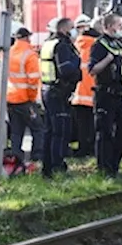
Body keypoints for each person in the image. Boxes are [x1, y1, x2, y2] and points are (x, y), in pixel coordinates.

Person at [40, 17, 83, 177]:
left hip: (49, 89)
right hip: (58, 91)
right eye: (72, 28)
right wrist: (78, 72)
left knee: (50, 131)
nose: (75, 31)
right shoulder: (62, 46)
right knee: (60, 131)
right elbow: (66, 70)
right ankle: (57, 167)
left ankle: (48, 167)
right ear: (65, 29)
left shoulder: (49, 43)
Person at [89, 13, 122, 177]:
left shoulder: (121, 43)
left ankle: (115, 166)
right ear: (109, 26)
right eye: (119, 25)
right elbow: (92, 70)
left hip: (121, 94)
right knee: (105, 133)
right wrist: (108, 59)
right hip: (105, 94)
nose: (121, 28)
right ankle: (104, 169)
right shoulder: (99, 45)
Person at [6, 27, 45, 163]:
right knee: (38, 128)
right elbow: (33, 80)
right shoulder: (29, 54)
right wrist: (32, 98)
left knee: (16, 130)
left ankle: (16, 156)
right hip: (25, 99)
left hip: (11, 98)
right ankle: (37, 155)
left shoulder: (8, 52)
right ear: (26, 37)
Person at [71, 15, 97, 158]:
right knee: (92, 124)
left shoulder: (75, 46)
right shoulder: (97, 46)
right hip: (93, 92)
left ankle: (82, 148)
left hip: (78, 92)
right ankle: (92, 148)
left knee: (81, 124)